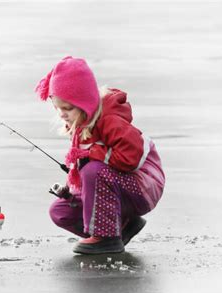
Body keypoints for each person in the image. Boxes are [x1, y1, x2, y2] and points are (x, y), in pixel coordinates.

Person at [35, 56, 165, 254]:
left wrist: (92, 154)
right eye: (57, 108)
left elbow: (132, 158)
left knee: (92, 170)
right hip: (114, 188)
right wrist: (70, 192)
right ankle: (122, 226)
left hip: (142, 187)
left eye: (67, 108)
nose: (62, 114)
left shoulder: (110, 120)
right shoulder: (80, 128)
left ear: (84, 103)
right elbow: (88, 169)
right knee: (60, 211)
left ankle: (107, 238)